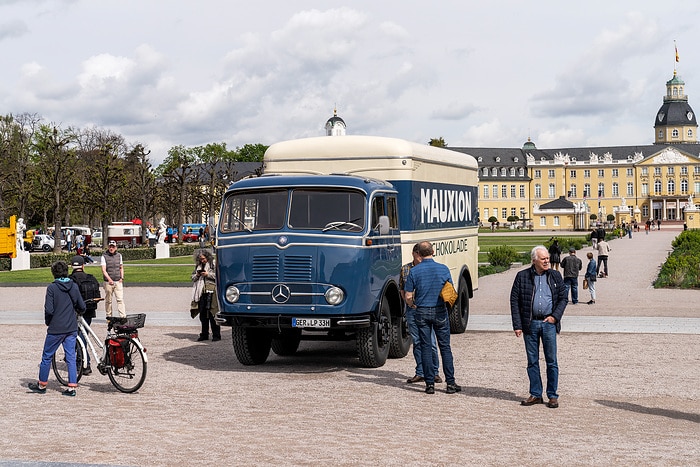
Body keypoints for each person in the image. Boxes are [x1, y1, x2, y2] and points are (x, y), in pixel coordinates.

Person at [510, 246, 567, 409]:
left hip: (548, 323)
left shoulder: (555, 276)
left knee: (552, 361)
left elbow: (563, 298)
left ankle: (552, 395)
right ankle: (536, 394)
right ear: (534, 260)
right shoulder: (522, 276)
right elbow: (514, 301)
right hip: (530, 323)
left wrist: (555, 317)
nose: (547, 261)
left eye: (547, 258)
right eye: (543, 259)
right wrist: (517, 324)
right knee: (532, 361)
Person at [404, 241, 461, 395]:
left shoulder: (414, 272)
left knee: (425, 346)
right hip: (439, 311)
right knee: (445, 347)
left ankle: (429, 384)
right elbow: (450, 291)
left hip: (421, 311)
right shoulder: (443, 269)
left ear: (419, 254)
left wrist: (413, 304)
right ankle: (450, 383)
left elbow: (408, 296)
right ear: (433, 251)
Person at [28, 261, 85, 397]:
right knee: (71, 356)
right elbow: (81, 305)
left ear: (53, 273)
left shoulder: (52, 288)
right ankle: (71, 386)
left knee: (47, 356)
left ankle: (42, 384)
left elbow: (49, 309)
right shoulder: (73, 286)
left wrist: (48, 322)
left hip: (56, 328)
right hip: (71, 327)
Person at [399, 243, 441, 385]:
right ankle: (421, 372)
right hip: (412, 309)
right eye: (419, 256)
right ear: (414, 254)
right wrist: (409, 304)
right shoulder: (406, 269)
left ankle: (434, 372)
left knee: (431, 342)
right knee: (417, 342)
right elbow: (402, 288)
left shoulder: (429, 268)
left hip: (427, 309)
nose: (421, 258)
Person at [69, 255, 101, 375]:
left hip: (76, 311)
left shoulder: (71, 279)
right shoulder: (91, 278)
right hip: (90, 310)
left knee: (77, 337)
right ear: (83, 266)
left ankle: (83, 363)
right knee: (84, 336)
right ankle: (84, 361)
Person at [191, 249, 221, 341]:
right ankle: (204, 334)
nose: (202, 260)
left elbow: (219, 276)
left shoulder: (213, 264)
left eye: (203, 259)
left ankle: (216, 335)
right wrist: (197, 275)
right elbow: (192, 277)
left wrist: (208, 274)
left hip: (212, 290)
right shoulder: (198, 266)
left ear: (207, 257)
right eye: (200, 259)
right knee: (203, 315)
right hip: (201, 292)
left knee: (213, 313)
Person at [101, 240, 126, 318]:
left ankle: (123, 316)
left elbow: (121, 267)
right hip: (108, 282)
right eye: (110, 247)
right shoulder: (104, 256)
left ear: (116, 248)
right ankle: (109, 316)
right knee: (108, 301)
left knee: (120, 299)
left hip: (118, 281)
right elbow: (103, 270)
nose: (111, 248)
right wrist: (109, 279)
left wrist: (122, 277)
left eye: (113, 247)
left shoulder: (119, 255)